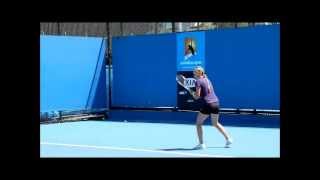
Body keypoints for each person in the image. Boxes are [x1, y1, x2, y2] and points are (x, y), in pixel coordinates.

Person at [191, 66, 233, 149]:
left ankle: (201, 144)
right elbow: (210, 91)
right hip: (216, 103)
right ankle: (228, 139)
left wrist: (193, 94)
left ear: (198, 73)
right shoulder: (207, 79)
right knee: (215, 123)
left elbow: (197, 96)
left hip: (208, 104)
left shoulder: (198, 81)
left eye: (194, 72)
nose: (193, 73)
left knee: (198, 123)